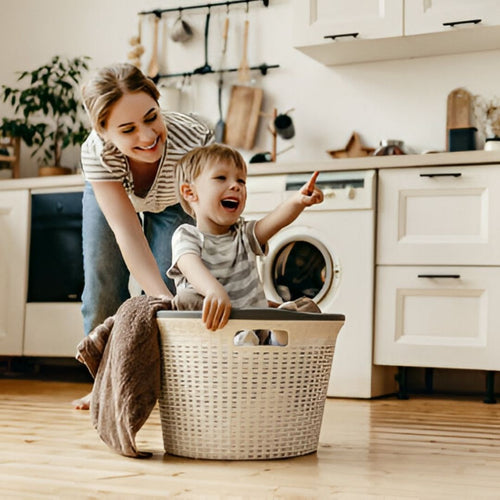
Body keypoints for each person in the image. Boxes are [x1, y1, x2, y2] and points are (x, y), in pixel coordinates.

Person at [73, 63, 213, 409]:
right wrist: (158, 298)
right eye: (128, 129)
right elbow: (125, 231)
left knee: (175, 285)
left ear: (157, 101)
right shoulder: (97, 153)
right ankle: (106, 385)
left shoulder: (195, 139)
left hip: (174, 201)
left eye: (152, 117)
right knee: (103, 283)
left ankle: (167, 388)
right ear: (104, 132)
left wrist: (170, 298)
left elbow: (209, 213)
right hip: (116, 194)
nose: (147, 137)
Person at [167, 143, 323, 339]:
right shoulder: (186, 235)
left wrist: (298, 201)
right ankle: (244, 339)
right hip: (214, 331)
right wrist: (213, 291)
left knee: (308, 307)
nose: (235, 186)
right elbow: (190, 266)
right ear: (190, 192)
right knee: (186, 298)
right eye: (221, 178)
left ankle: (275, 339)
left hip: (255, 326)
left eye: (241, 181)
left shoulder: (244, 234)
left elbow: (275, 221)